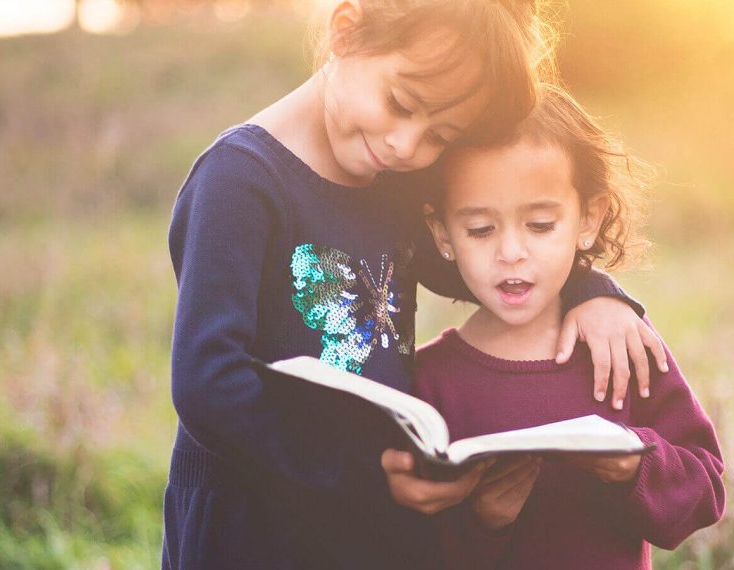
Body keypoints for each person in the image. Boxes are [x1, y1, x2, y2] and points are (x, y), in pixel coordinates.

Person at [162, 2, 668, 568]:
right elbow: (208, 384)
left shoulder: (390, 182)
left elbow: (495, 270)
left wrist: (593, 293)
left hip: (364, 522)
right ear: (345, 31)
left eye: (440, 135)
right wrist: (364, 475)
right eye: (401, 104)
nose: (408, 145)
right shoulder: (239, 182)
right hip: (252, 524)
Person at [414, 84, 726, 569]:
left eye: (540, 225)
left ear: (589, 219)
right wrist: (482, 522)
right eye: (480, 229)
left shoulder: (620, 345)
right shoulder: (429, 380)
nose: (511, 252)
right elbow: (405, 541)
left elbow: (705, 490)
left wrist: (635, 466)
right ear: (443, 234)